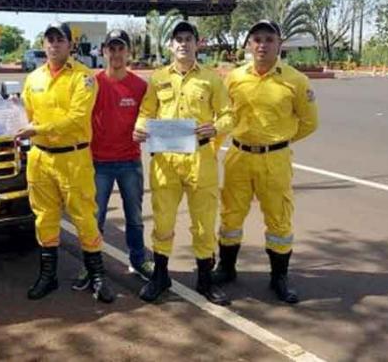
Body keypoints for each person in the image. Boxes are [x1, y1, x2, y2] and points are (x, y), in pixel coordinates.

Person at [213, 20, 318, 304]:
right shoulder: (234, 78)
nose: (262, 44)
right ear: (248, 44)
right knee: (231, 215)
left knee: (279, 218)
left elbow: (309, 123)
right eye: (256, 39)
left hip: (275, 160)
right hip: (238, 156)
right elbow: (223, 117)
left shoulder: (296, 80)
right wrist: (212, 149)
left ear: (279, 44)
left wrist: (279, 142)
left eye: (269, 39)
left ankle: (279, 277)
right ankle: (226, 268)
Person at [133, 21, 233, 306]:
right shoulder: (158, 78)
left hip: (200, 159)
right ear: (170, 45)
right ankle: (160, 276)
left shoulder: (211, 79)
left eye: (188, 39)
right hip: (165, 159)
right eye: (178, 39)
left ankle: (205, 280)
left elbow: (228, 115)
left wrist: (215, 127)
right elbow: (146, 111)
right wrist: (140, 128)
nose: (183, 44)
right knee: (162, 220)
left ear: (197, 44)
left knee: (203, 223)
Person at [16, 22, 115, 303]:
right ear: (44, 44)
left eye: (60, 40)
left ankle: (97, 275)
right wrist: (10, 116)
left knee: (85, 217)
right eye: (49, 39)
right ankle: (48, 276)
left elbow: (77, 118)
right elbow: (25, 115)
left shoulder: (84, 78)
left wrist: (37, 128)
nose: (54, 44)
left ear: (70, 45)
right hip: (40, 158)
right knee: (44, 218)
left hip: (74, 158)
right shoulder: (33, 78)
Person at [72, 29, 153, 291]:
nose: (116, 54)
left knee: (135, 217)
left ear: (128, 52)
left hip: (130, 161)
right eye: (111, 48)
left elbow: (152, 116)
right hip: (98, 162)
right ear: (103, 51)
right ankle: (90, 265)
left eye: (121, 48)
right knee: (94, 217)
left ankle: (138, 260)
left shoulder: (140, 86)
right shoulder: (91, 83)